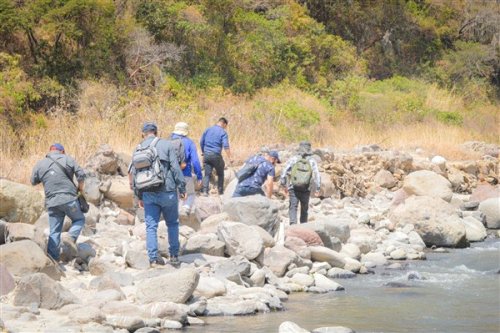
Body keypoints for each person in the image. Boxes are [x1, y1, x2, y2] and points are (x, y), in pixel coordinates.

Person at [129, 122, 186, 267]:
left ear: (143, 133)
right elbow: (175, 168)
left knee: (151, 226)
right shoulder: (167, 145)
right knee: (172, 224)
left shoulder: (138, 148)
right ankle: (173, 256)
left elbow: (134, 174)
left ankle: (153, 258)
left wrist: (138, 196)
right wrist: (182, 187)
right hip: (168, 191)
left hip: (147, 193)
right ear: (156, 132)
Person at [31, 143, 86, 262]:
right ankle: (70, 237)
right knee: (79, 219)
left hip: (52, 202)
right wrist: (80, 189)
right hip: (69, 199)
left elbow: (33, 181)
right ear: (62, 151)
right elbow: (81, 175)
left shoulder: (40, 164)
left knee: (54, 231)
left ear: (50, 151)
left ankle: (53, 260)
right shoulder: (67, 159)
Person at [280, 141, 321, 224]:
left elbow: (284, 171)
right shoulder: (312, 161)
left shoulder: (294, 159)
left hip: (293, 187)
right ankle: (303, 226)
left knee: (293, 207)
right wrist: (318, 188)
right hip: (306, 188)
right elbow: (317, 175)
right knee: (304, 208)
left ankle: (293, 225)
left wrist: (283, 184)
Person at [171, 122, 202, 214]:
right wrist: (199, 176)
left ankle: (174, 216)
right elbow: (195, 161)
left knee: (174, 197)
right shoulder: (189, 142)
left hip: (170, 175)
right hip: (185, 174)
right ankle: (185, 209)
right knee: (190, 194)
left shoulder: (167, 141)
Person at [199, 117, 233, 196]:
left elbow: (201, 141)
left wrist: (204, 152)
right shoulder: (223, 132)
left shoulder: (208, 129)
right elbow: (226, 146)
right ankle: (220, 191)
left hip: (206, 155)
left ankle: (205, 191)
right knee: (220, 173)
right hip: (216, 155)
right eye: (226, 126)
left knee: (207, 174)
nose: (225, 127)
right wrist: (230, 157)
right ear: (224, 124)